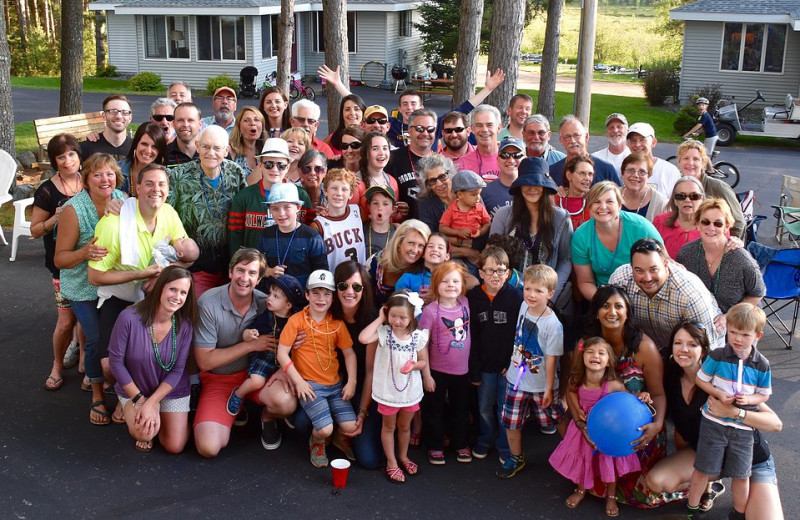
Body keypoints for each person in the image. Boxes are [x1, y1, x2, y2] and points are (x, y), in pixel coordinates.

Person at [646, 321, 785, 518]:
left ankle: (741, 505)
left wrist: (734, 413)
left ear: (704, 350)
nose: (684, 349)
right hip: (711, 455)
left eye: (692, 344)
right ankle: (709, 489)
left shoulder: (723, 376)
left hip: (752, 460)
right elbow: (681, 430)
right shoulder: (670, 377)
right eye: (678, 343)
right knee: (657, 480)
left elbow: (776, 423)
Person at [89, 164, 192, 422]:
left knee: (152, 357)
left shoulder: (168, 213)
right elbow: (94, 276)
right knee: (107, 364)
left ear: (168, 190)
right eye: (149, 184)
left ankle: (146, 396)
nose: (155, 190)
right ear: (136, 188)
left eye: (161, 185)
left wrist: (159, 274)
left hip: (152, 298)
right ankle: (124, 396)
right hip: (120, 297)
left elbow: (185, 258)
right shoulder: (113, 225)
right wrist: (142, 273)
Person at [192, 248, 298, 457]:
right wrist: (250, 345)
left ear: (259, 279)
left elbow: (293, 331)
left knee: (285, 402)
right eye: (240, 271)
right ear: (230, 272)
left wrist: (285, 367)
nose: (244, 278)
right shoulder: (208, 303)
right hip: (220, 378)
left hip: (256, 373)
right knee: (208, 447)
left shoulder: (266, 303)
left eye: (252, 273)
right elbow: (204, 361)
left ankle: (266, 418)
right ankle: (238, 407)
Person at [578, 284, 668, 508]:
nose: (612, 312)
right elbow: (572, 385)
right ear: (596, 312)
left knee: (643, 495)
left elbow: (658, 394)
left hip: (638, 431)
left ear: (628, 312)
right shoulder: (588, 344)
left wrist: (656, 425)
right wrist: (580, 422)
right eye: (605, 306)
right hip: (600, 426)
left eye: (619, 306)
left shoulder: (644, 347)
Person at [54, 153, 126, 416]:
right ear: (86, 180)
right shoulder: (74, 210)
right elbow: (60, 259)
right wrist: (84, 253)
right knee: (95, 337)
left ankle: (121, 391)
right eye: (97, 174)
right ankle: (97, 394)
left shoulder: (124, 200)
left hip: (115, 284)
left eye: (109, 174)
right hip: (83, 286)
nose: (104, 179)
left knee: (119, 337)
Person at [688, 303, 772, 520]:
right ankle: (692, 510)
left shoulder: (762, 364)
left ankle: (738, 513)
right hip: (713, 423)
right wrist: (717, 393)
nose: (737, 338)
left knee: (741, 475)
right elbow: (701, 379)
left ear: (758, 335)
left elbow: (764, 394)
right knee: (702, 470)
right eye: (732, 332)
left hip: (743, 429)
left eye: (744, 334)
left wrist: (750, 398)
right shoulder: (717, 355)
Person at [549, 337, 648, 517]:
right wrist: (578, 409)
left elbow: (629, 400)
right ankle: (580, 490)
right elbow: (570, 392)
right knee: (583, 460)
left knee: (610, 461)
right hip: (584, 430)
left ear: (609, 360)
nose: (595, 356)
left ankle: (611, 495)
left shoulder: (613, 385)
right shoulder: (576, 380)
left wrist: (641, 395)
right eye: (590, 352)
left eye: (601, 353)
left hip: (608, 433)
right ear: (583, 356)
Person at [108, 266, 197, 453]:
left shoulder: (184, 326)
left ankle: (169, 418)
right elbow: (115, 363)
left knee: (174, 446)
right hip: (137, 388)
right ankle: (143, 413)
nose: (177, 297)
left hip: (169, 389)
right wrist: (140, 399)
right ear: (161, 288)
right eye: (173, 289)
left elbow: (177, 370)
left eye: (183, 292)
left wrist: (152, 402)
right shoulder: (128, 317)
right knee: (144, 433)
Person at [277, 269, 359, 468]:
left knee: (350, 426)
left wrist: (352, 382)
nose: (321, 299)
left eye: (326, 294)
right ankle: (317, 441)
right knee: (324, 429)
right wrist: (299, 382)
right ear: (307, 295)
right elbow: (281, 353)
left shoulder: (337, 323)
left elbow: (349, 353)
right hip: (310, 386)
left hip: (335, 385)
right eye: (315, 293)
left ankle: (340, 438)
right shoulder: (296, 321)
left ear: (332, 297)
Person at [318, 64, 505, 150]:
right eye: (405, 104)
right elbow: (362, 109)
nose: (409, 108)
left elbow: (463, 109)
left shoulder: (435, 125)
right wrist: (338, 85)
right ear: (399, 109)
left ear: (421, 106)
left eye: (413, 104)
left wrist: (487, 89)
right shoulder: (389, 124)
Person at [496, 264, 565, 479]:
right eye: (528, 289)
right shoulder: (523, 307)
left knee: (555, 418)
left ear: (550, 294)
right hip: (516, 379)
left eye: (539, 291)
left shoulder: (552, 324)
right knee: (511, 420)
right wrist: (511, 362)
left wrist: (548, 389)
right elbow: (518, 339)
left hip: (541, 384)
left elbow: (552, 358)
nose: (531, 295)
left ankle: (572, 448)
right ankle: (516, 457)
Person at [33, 134, 86, 392]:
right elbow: (34, 230)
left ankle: (86, 360)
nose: (68, 161)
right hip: (62, 265)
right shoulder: (46, 190)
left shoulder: (89, 180)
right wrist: (54, 219)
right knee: (66, 321)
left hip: (90, 259)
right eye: (61, 157)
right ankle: (56, 365)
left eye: (72, 154)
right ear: (54, 161)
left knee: (88, 317)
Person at [359, 290, 429, 483]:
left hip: (409, 392)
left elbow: (423, 361)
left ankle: (403, 456)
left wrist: (414, 366)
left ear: (412, 316)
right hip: (388, 392)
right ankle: (391, 462)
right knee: (388, 427)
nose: (397, 321)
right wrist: (380, 319)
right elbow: (363, 338)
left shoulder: (418, 336)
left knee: (405, 427)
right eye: (393, 316)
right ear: (387, 313)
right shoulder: (383, 333)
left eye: (402, 317)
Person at [609, 238, 724, 353]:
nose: (647, 278)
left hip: (688, 352)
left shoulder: (689, 295)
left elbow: (708, 350)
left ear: (665, 265)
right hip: (645, 347)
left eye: (653, 269)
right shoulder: (620, 280)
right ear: (631, 267)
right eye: (639, 271)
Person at [168, 126, 246, 295]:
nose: (211, 153)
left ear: (226, 151)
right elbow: (167, 214)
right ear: (197, 146)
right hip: (196, 262)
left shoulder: (235, 172)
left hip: (229, 260)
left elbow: (243, 210)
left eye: (217, 148)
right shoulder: (179, 175)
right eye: (206, 146)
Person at [467, 246, 523, 461]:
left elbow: (520, 335)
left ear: (508, 273)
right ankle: (484, 439)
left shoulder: (516, 297)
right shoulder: (473, 298)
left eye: (500, 270)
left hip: (508, 366)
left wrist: (513, 364)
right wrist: (474, 369)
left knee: (505, 407)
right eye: (489, 270)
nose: (495, 276)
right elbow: (471, 336)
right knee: (483, 407)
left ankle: (504, 446)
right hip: (483, 366)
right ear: (480, 273)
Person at [489, 157, 573, 300]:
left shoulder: (561, 218)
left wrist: (550, 295)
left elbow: (566, 260)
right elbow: (492, 255)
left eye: (537, 183)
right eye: (526, 183)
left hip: (545, 295)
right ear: (519, 186)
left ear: (545, 187)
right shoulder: (503, 215)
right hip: (508, 293)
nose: (531, 188)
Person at [226, 274, 305, 416]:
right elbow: (246, 334)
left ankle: (284, 414)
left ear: (288, 305)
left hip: (286, 360)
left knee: (293, 385)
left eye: (276, 296)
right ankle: (238, 394)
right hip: (265, 356)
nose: (269, 298)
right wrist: (250, 334)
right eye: (270, 293)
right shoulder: (266, 316)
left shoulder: (296, 320)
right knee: (256, 381)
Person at [419, 261, 473, 465]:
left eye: (455, 281)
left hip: (462, 371)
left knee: (461, 409)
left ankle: (461, 443)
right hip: (436, 371)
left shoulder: (465, 303)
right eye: (444, 281)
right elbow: (421, 344)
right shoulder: (430, 312)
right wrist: (426, 375)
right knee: (434, 410)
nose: (450, 285)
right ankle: (435, 445)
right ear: (436, 285)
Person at [572, 182, 663, 300]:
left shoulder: (640, 227)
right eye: (596, 202)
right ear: (589, 206)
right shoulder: (581, 236)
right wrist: (607, 304)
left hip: (644, 294)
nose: (603, 207)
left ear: (619, 205)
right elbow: (585, 282)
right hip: (603, 297)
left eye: (609, 201)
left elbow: (664, 262)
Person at [677, 198, 765, 313]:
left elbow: (758, 293)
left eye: (718, 224)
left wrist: (728, 317)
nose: (711, 227)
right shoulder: (686, 254)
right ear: (698, 224)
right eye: (705, 222)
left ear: (726, 227)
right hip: (701, 320)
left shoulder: (741, 259)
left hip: (739, 322)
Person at [228, 138, 311, 253]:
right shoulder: (243, 197)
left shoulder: (301, 196)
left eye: (281, 165)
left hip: (291, 264)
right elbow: (234, 239)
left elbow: (309, 232)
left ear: (287, 167)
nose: (275, 169)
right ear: (260, 166)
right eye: (268, 164)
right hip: (253, 265)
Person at [258, 182, 327, 288]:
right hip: (272, 298)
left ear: (298, 207)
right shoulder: (266, 235)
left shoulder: (312, 237)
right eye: (275, 208)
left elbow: (322, 274)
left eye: (287, 207)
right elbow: (257, 266)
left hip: (303, 299)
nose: (281, 213)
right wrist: (269, 271)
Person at [676, 139, 746, 240]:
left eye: (696, 159)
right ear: (679, 161)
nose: (690, 163)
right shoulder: (676, 187)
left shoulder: (718, 187)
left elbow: (739, 222)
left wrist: (727, 247)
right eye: (685, 158)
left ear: (703, 163)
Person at [385, 108, 439, 219]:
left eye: (430, 129)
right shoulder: (392, 159)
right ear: (409, 130)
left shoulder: (442, 163)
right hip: (404, 228)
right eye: (419, 129)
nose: (425, 133)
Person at [310, 168, 367, 268]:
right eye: (334, 188)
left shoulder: (358, 212)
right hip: (333, 280)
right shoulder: (318, 225)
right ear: (325, 191)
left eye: (344, 189)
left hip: (359, 279)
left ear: (351, 194)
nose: (339, 193)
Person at [367, 219, 430, 305]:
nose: (415, 250)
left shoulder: (427, 272)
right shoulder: (375, 262)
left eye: (421, 246)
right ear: (399, 243)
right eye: (411, 243)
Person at [550, 115, 621, 187]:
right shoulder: (553, 172)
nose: (573, 140)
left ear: (586, 137)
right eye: (567, 137)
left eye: (576, 135)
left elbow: (619, 197)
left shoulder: (606, 170)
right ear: (561, 140)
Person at [652, 176, 705, 259]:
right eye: (681, 196)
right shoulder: (660, 222)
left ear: (702, 199)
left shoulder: (713, 225)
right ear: (674, 200)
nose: (687, 200)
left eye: (694, 196)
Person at [439, 169, 491, 251]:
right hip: (458, 246)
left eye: (479, 193)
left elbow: (487, 223)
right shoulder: (452, 210)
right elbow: (442, 228)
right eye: (473, 195)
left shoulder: (480, 207)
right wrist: (457, 232)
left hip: (477, 243)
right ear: (460, 194)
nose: (478, 198)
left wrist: (480, 232)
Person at [353, 132, 401, 220]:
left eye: (385, 148)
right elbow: (351, 218)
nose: (382, 153)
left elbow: (392, 218)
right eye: (375, 149)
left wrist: (399, 213)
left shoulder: (392, 181)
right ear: (366, 153)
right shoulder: (356, 182)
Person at [625, 122, 680, 198]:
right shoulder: (624, 170)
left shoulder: (669, 171)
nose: (637, 144)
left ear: (653, 142)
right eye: (633, 140)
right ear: (628, 144)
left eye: (642, 139)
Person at [455, 104, 502, 182]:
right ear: (472, 129)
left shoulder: (510, 160)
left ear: (499, 128)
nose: (484, 129)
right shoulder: (462, 165)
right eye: (479, 125)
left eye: (489, 125)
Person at [118, 122, 167, 194]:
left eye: (154, 147)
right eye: (144, 144)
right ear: (136, 144)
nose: (148, 151)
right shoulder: (116, 170)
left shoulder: (165, 176)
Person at [80, 95, 133, 161]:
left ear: (130, 117)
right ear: (104, 115)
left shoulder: (136, 149)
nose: (119, 116)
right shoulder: (86, 148)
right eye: (113, 111)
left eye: (125, 112)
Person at [482, 136, 523, 218]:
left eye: (517, 155)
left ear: (525, 159)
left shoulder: (531, 190)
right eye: (505, 155)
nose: (511, 160)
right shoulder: (485, 191)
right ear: (497, 160)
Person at [619, 153, 668, 221]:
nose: (635, 175)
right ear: (622, 173)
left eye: (642, 172)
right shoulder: (612, 196)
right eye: (631, 170)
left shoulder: (661, 204)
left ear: (649, 176)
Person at [228, 106, 267, 185]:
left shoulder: (266, 152)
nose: (252, 123)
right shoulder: (230, 152)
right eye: (246, 120)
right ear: (239, 128)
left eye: (256, 120)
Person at [556, 155, 593, 230]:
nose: (587, 178)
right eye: (582, 173)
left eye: (590, 174)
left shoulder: (594, 200)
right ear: (569, 175)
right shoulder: (554, 200)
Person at [297, 149, 328, 223]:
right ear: (300, 171)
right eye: (306, 169)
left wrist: (327, 217)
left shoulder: (331, 194)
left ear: (325, 172)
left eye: (318, 169)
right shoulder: (292, 192)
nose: (312, 173)